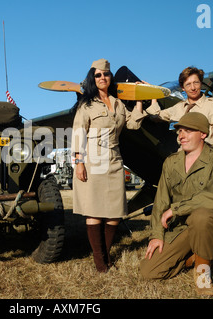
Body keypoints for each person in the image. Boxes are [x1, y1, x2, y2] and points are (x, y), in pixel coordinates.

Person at [140, 112, 213, 297]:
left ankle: (203, 274)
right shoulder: (171, 163)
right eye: (180, 131)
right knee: (149, 271)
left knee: (200, 216)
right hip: (182, 227)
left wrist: (176, 209)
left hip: (212, 224)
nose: (181, 135)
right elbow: (161, 200)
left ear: (203, 134)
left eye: (188, 131)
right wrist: (157, 235)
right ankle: (195, 257)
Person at [71, 58, 146, 273]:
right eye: (98, 75)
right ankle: (101, 262)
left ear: (110, 77)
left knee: (115, 212)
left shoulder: (118, 103)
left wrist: (139, 100)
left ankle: (104, 253)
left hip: (114, 158)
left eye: (106, 74)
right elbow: (78, 133)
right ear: (92, 78)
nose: (103, 78)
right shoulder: (86, 104)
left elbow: (132, 124)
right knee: (94, 211)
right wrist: (79, 163)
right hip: (93, 158)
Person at [146, 67, 213, 153]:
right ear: (183, 87)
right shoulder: (178, 108)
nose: (193, 88)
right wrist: (153, 94)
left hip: (205, 155)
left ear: (201, 83)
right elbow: (155, 115)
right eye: (188, 84)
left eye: (196, 83)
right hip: (183, 157)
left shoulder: (212, 104)